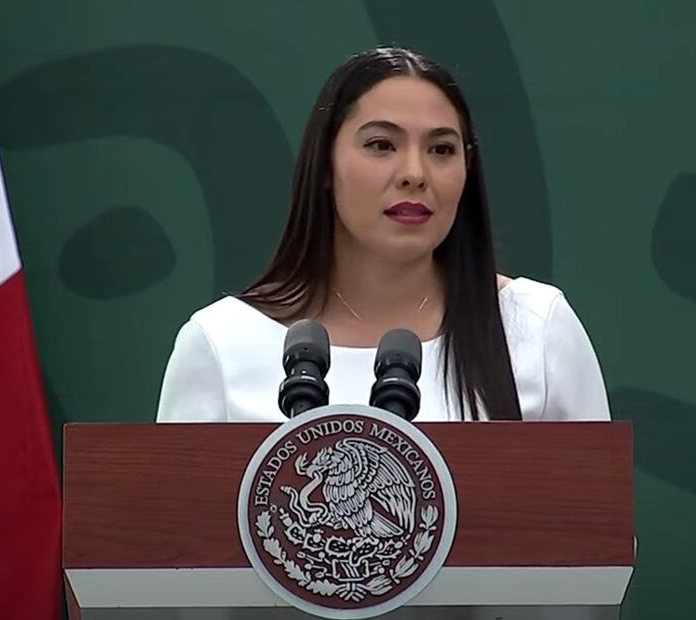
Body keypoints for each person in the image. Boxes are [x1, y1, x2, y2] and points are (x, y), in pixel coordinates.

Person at [155, 46, 609, 423]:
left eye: (442, 149)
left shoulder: (536, 329)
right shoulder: (221, 343)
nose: (414, 173)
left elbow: (596, 527)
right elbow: (167, 527)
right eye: (381, 145)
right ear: (326, 166)